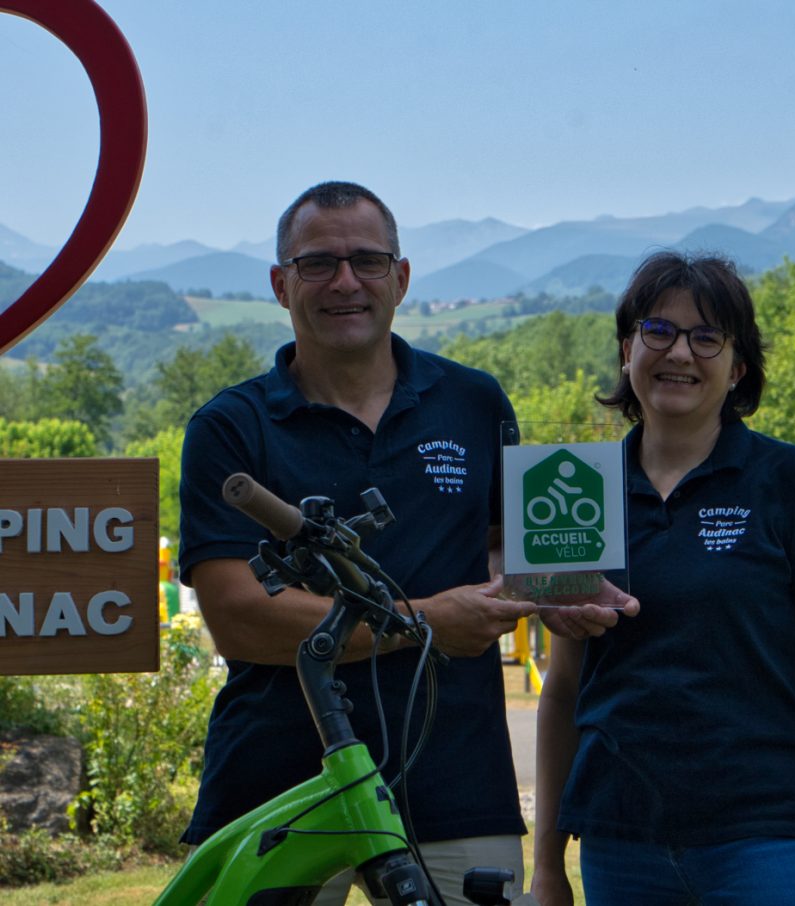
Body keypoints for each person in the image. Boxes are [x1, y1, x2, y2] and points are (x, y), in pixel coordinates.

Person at [177, 181, 624, 905]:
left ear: (401, 277)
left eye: (367, 261)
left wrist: (555, 587)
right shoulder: (230, 428)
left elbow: (506, 547)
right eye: (318, 264)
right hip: (276, 781)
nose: (345, 281)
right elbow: (238, 617)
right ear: (281, 285)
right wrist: (425, 623)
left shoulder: (474, 402)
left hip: (454, 778)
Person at [531, 252, 795, 906]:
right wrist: (548, 866)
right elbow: (562, 692)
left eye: (707, 337)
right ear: (627, 350)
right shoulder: (576, 491)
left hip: (769, 839)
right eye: (658, 330)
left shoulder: (792, 480)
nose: (680, 352)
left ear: (737, 368)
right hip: (621, 844)